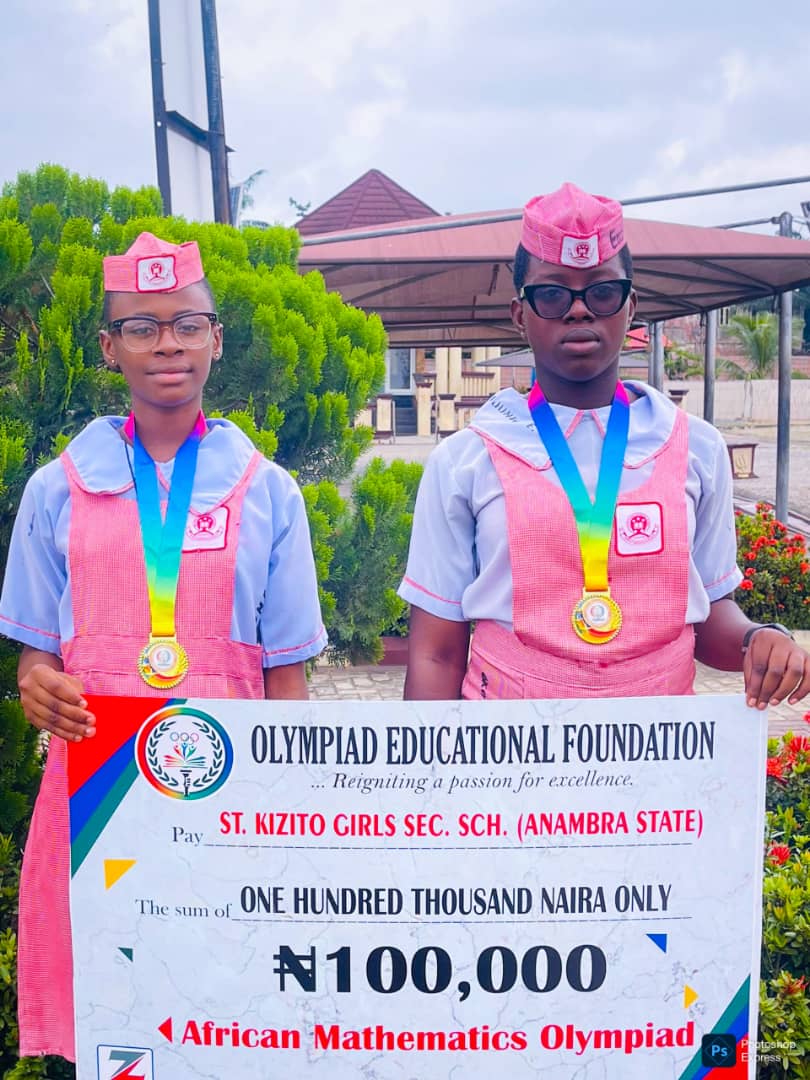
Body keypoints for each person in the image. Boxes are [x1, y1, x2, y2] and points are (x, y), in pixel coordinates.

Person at [0, 232, 327, 1062]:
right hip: (97, 796)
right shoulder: (57, 488)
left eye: (187, 324)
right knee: (109, 1031)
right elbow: (35, 657)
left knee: (223, 1021)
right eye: (141, 328)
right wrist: (37, 685)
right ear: (110, 349)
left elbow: (287, 681)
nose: (167, 344)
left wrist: (289, 822)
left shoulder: (269, 492)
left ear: (217, 338)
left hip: (232, 794)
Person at [399, 182, 810, 707]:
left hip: (658, 748)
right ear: (520, 314)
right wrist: (430, 761)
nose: (578, 311)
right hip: (511, 751)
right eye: (552, 294)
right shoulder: (466, 460)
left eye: (601, 292)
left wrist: (759, 638)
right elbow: (436, 655)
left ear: (630, 306)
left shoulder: (696, 449)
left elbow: (710, 617)